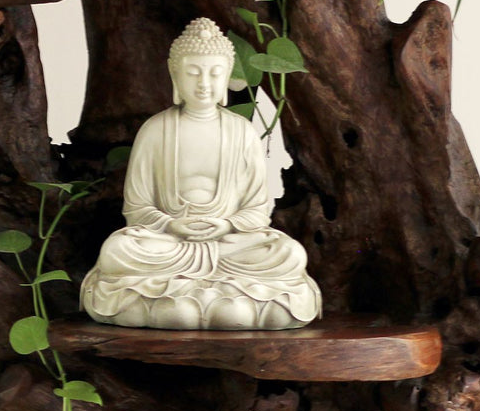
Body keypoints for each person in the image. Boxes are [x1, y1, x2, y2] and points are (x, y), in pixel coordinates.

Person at [80, 18, 321, 330]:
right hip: (169, 244)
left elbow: (259, 208)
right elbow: (136, 208)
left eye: (214, 73)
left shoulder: (242, 132)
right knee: (119, 250)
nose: (204, 83)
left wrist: (227, 224)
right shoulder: (155, 130)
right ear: (175, 75)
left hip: (228, 244)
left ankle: (178, 300)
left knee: (287, 253)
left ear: (227, 77)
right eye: (193, 72)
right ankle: (225, 301)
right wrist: (171, 224)